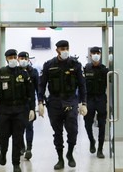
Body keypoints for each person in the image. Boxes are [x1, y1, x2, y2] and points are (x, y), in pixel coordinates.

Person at [38, 40, 87, 170]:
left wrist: (84, 103)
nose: (65, 50)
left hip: (70, 100)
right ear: (57, 50)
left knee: (73, 130)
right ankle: (60, 159)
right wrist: (40, 102)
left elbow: (82, 85)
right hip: (54, 102)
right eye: (62, 48)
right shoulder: (49, 65)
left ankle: (70, 153)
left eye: (66, 48)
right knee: (57, 132)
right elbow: (41, 85)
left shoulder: (76, 65)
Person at [0, 49, 35, 172]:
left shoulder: (23, 73)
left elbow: (30, 92)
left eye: (15, 56)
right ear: (6, 59)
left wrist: (32, 109)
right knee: (3, 137)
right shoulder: (0, 73)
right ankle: (3, 152)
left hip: (19, 110)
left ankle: (16, 164)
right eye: (10, 57)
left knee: (17, 137)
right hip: (4, 110)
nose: (13, 59)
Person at [83, 46, 109, 158]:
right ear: (90, 55)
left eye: (97, 53)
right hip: (89, 99)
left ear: (100, 54)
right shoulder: (86, 68)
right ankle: (92, 140)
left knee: (102, 124)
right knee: (87, 123)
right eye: (93, 53)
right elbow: (82, 86)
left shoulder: (104, 70)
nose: (95, 55)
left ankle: (100, 149)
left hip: (101, 98)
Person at [18, 51, 39, 160]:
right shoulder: (15, 71)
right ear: (18, 59)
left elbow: (38, 88)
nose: (23, 60)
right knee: (18, 127)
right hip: (17, 104)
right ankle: (22, 146)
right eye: (21, 58)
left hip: (29, 103)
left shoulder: (33, 72)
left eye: (25, 58)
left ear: (28, 59)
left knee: (29, 126)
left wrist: (40, 102)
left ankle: (29, 148)